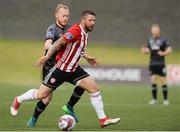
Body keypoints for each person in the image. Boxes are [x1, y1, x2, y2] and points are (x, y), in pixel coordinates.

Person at [10, 10, 120, 127]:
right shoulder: (75, 31)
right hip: (60, 69)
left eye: (94, 21)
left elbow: (77, 49)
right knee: (41, 95)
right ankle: (18, 99)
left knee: (94, 88)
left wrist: (87, 57)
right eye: (90, 20)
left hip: (73, 69)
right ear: (83, 20)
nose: (93, 23)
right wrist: (47, 56)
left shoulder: (84, 32)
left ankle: (103, 119)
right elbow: (59, 42)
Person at [26, 4, 86, 127]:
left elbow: (77, 47)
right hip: (51, 67)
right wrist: (58, 45)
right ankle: (34, 117)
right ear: (56, 15)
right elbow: (47, 45)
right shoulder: (52, 29)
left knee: (84, 83)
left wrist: (87, 56)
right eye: (63, 15)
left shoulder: (71, 29)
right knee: (46, 98)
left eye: (67, 16)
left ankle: (69, 106)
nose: (65, 18)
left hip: (66, 66)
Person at [141, 23, 172, 105]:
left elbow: (169, 49)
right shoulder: (150, 40)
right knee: (153, 80)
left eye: (156, 29)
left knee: (163, 80)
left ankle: (165, 99)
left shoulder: (164, 39)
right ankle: (154, 99)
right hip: (152, 63)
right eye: (153, 29)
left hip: (161, 63)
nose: (155, 31)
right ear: (151, 31)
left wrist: (164, 53)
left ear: (159, 30)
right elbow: (145, 49)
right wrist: (144, 50)